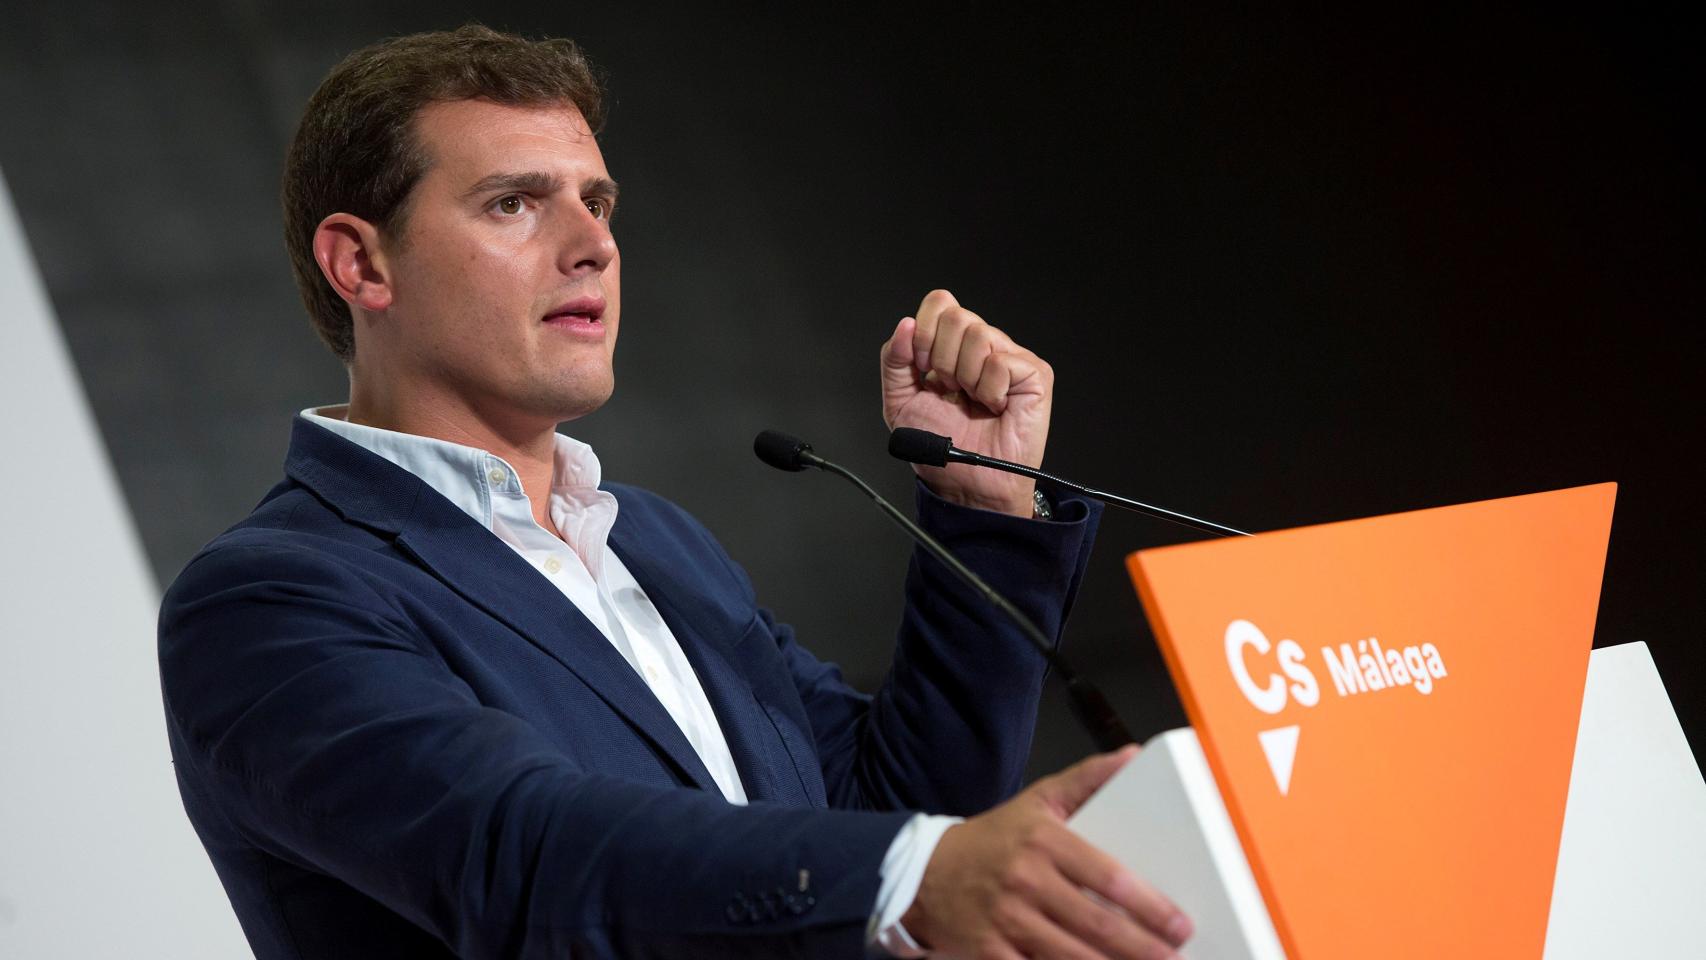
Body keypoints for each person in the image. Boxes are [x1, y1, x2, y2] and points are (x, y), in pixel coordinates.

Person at [158, 25, 1192, 960]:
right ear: (361, 264)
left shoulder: (654, 543)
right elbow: (517, 858)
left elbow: (896, 814)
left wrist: (980, 505)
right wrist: (913, 871)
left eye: (596, 202)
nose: (592, 242)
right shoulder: (269, 600)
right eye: (513, 202)